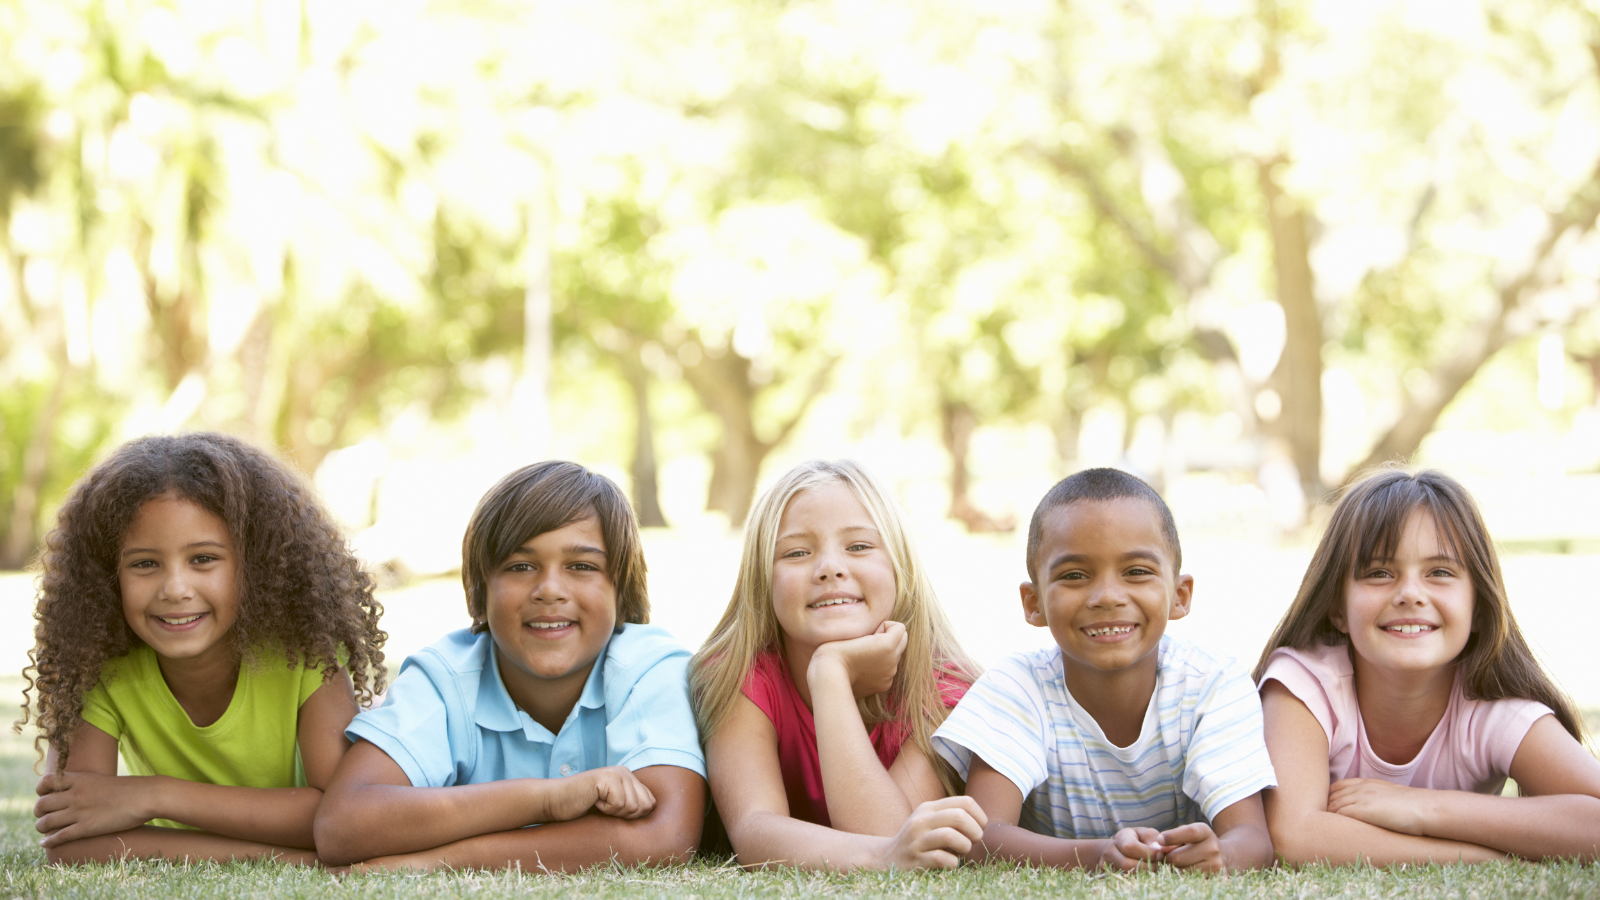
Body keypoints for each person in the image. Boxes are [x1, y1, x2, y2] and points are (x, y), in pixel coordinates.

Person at [315, 461, 705, 872]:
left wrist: (451, 859)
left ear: (621, 588)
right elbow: (341, 826)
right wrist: (549, 798)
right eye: (520, 566)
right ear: (478, 592)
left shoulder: (650, 668)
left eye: (582, 566)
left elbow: (667, 837)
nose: (550, 590)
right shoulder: (444, 678)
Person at [22, 432, 386, 864]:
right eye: (144, 564)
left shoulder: (306, 655)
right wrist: (289, 858)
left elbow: (346, 816)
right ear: (105, 576)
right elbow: (71, 840)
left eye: (203, 559)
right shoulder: (97, 668)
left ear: (256, 564)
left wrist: (152, 796)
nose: (175, 589)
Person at [933, 467, 1276, 873]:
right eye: (1074, 575)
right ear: (1033, 603)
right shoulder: (1016, 687)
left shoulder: (1212, 684)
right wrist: (1097, 856)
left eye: (1136, 572)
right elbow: (981, 837)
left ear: (1180, 596)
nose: (1108, 597)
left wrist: (1223, 855)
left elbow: (1253, 839)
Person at [1255, 467, 1600, 865]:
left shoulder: (1493, 708)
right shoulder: (1303, 684)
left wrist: (1423, 808)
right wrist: (1476, 858)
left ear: (1478, 604)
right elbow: (1293, 836)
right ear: (1337, 607)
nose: (1410, 594)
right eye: (1379, 573)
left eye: (1439, 572)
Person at [691, 460, 987, 871]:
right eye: (796, 552)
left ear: (901, 566)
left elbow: (889, 833)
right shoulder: (739, 673)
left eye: (859, 547)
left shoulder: (943, 688)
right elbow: (754, 831)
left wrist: (828, 674)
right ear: (764, 579)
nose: (830, 567)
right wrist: (833, 671)